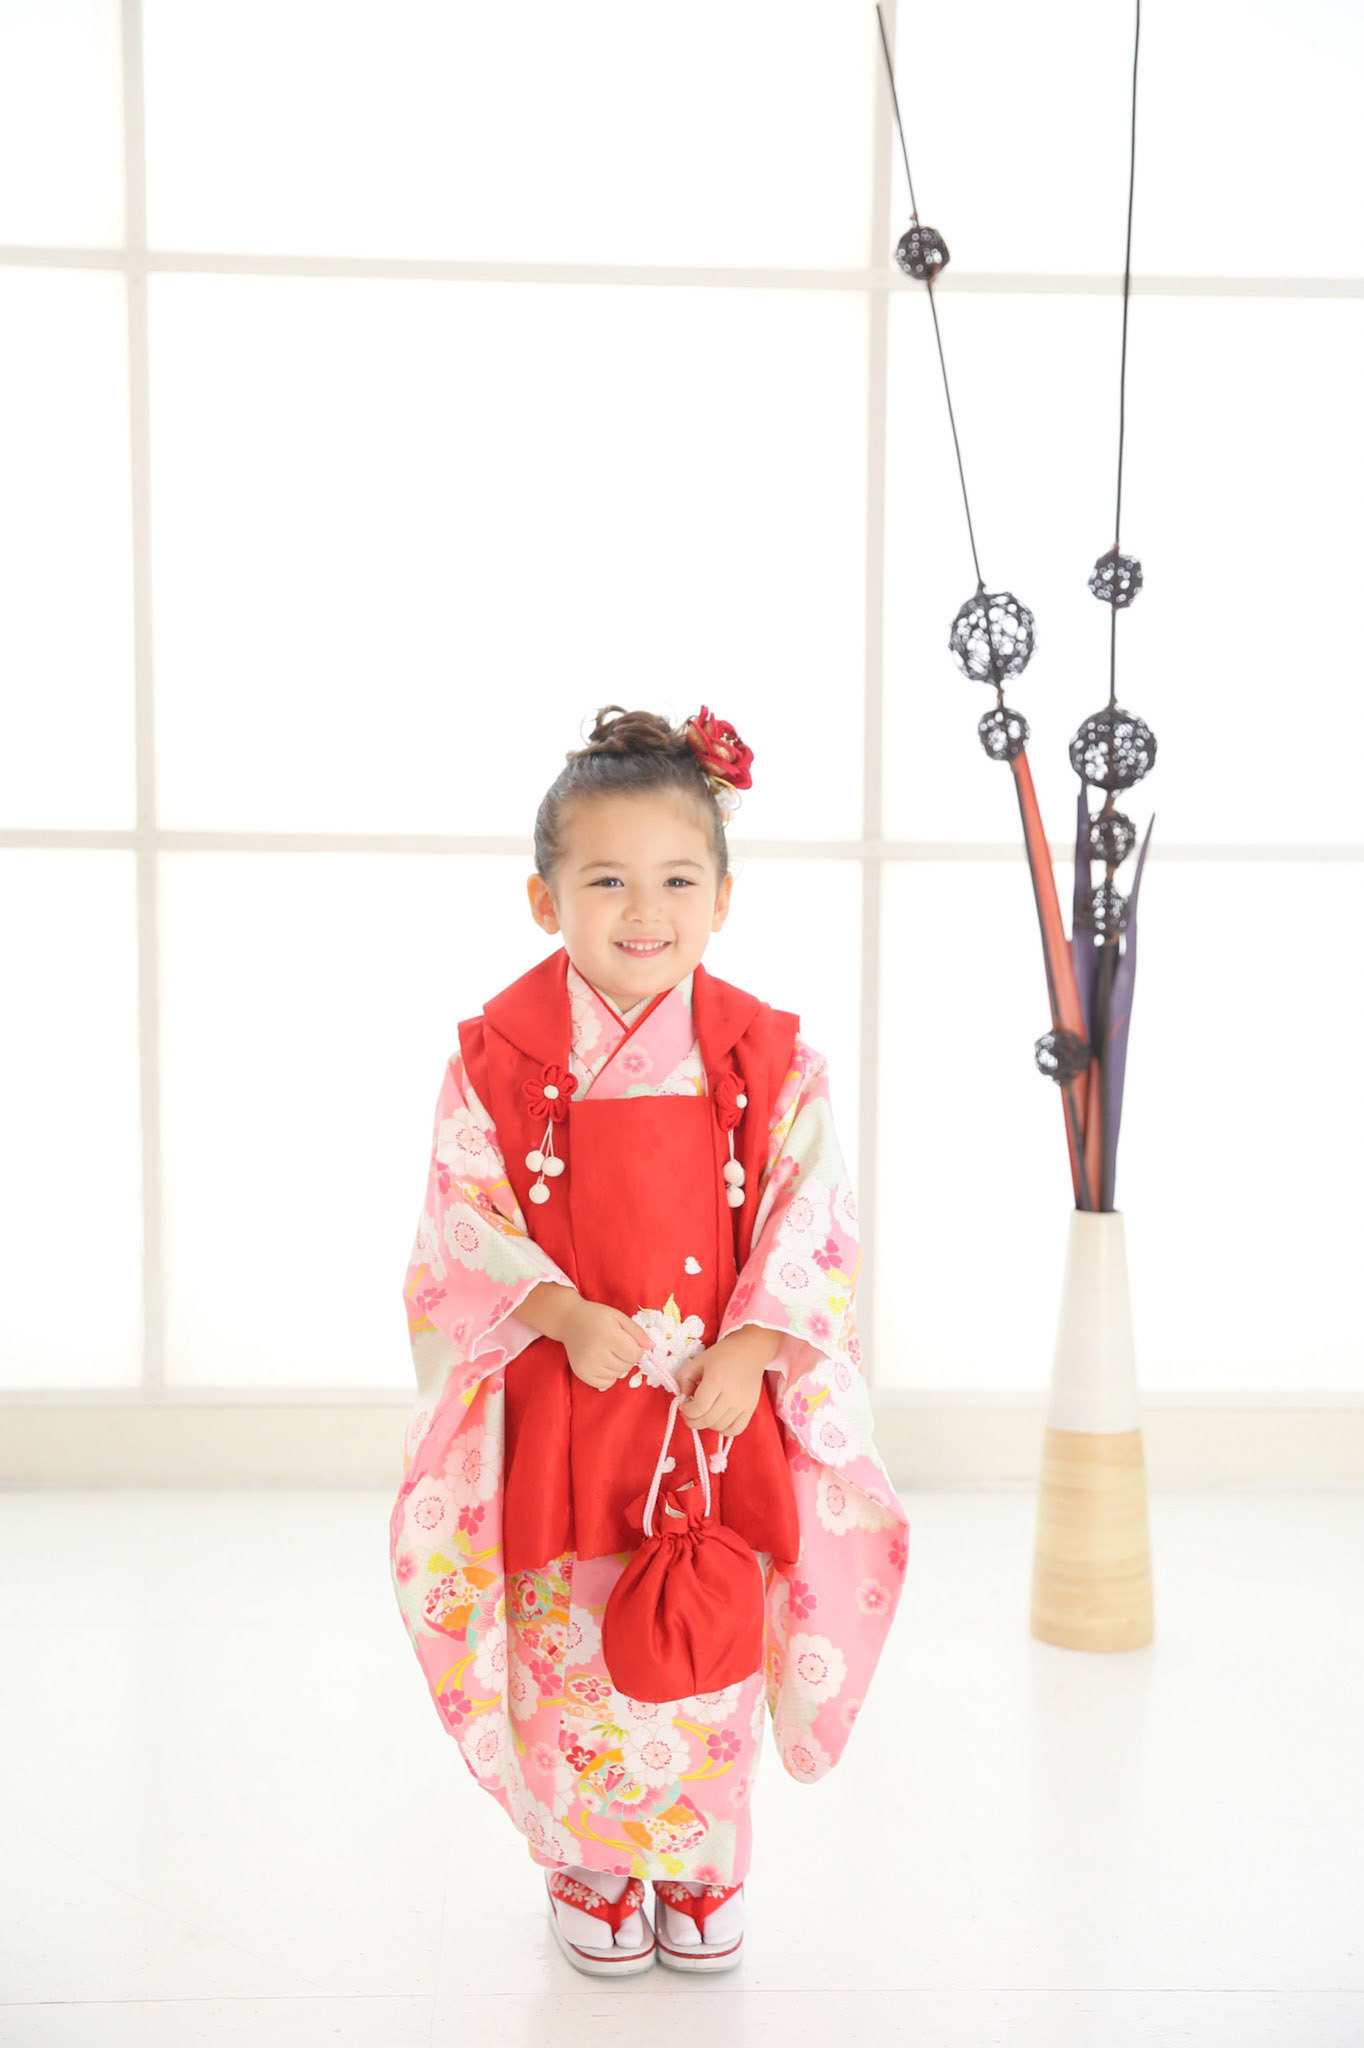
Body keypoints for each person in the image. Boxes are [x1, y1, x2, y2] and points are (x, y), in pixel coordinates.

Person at [389, 704, 909, 1977]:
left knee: (704, 1622)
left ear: (722, 898)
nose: (644, 908)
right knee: (571, 1627)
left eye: (678, 879)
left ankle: (702, 1853)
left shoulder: (765, 1058)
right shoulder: (495, 1061)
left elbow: (810, 1211)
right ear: (543, 897)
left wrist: (756, 1347)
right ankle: (589, 1857)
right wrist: (561, 1311)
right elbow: (463, 1218)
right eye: (605, 878)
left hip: (708, 1399)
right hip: (566, 1393)